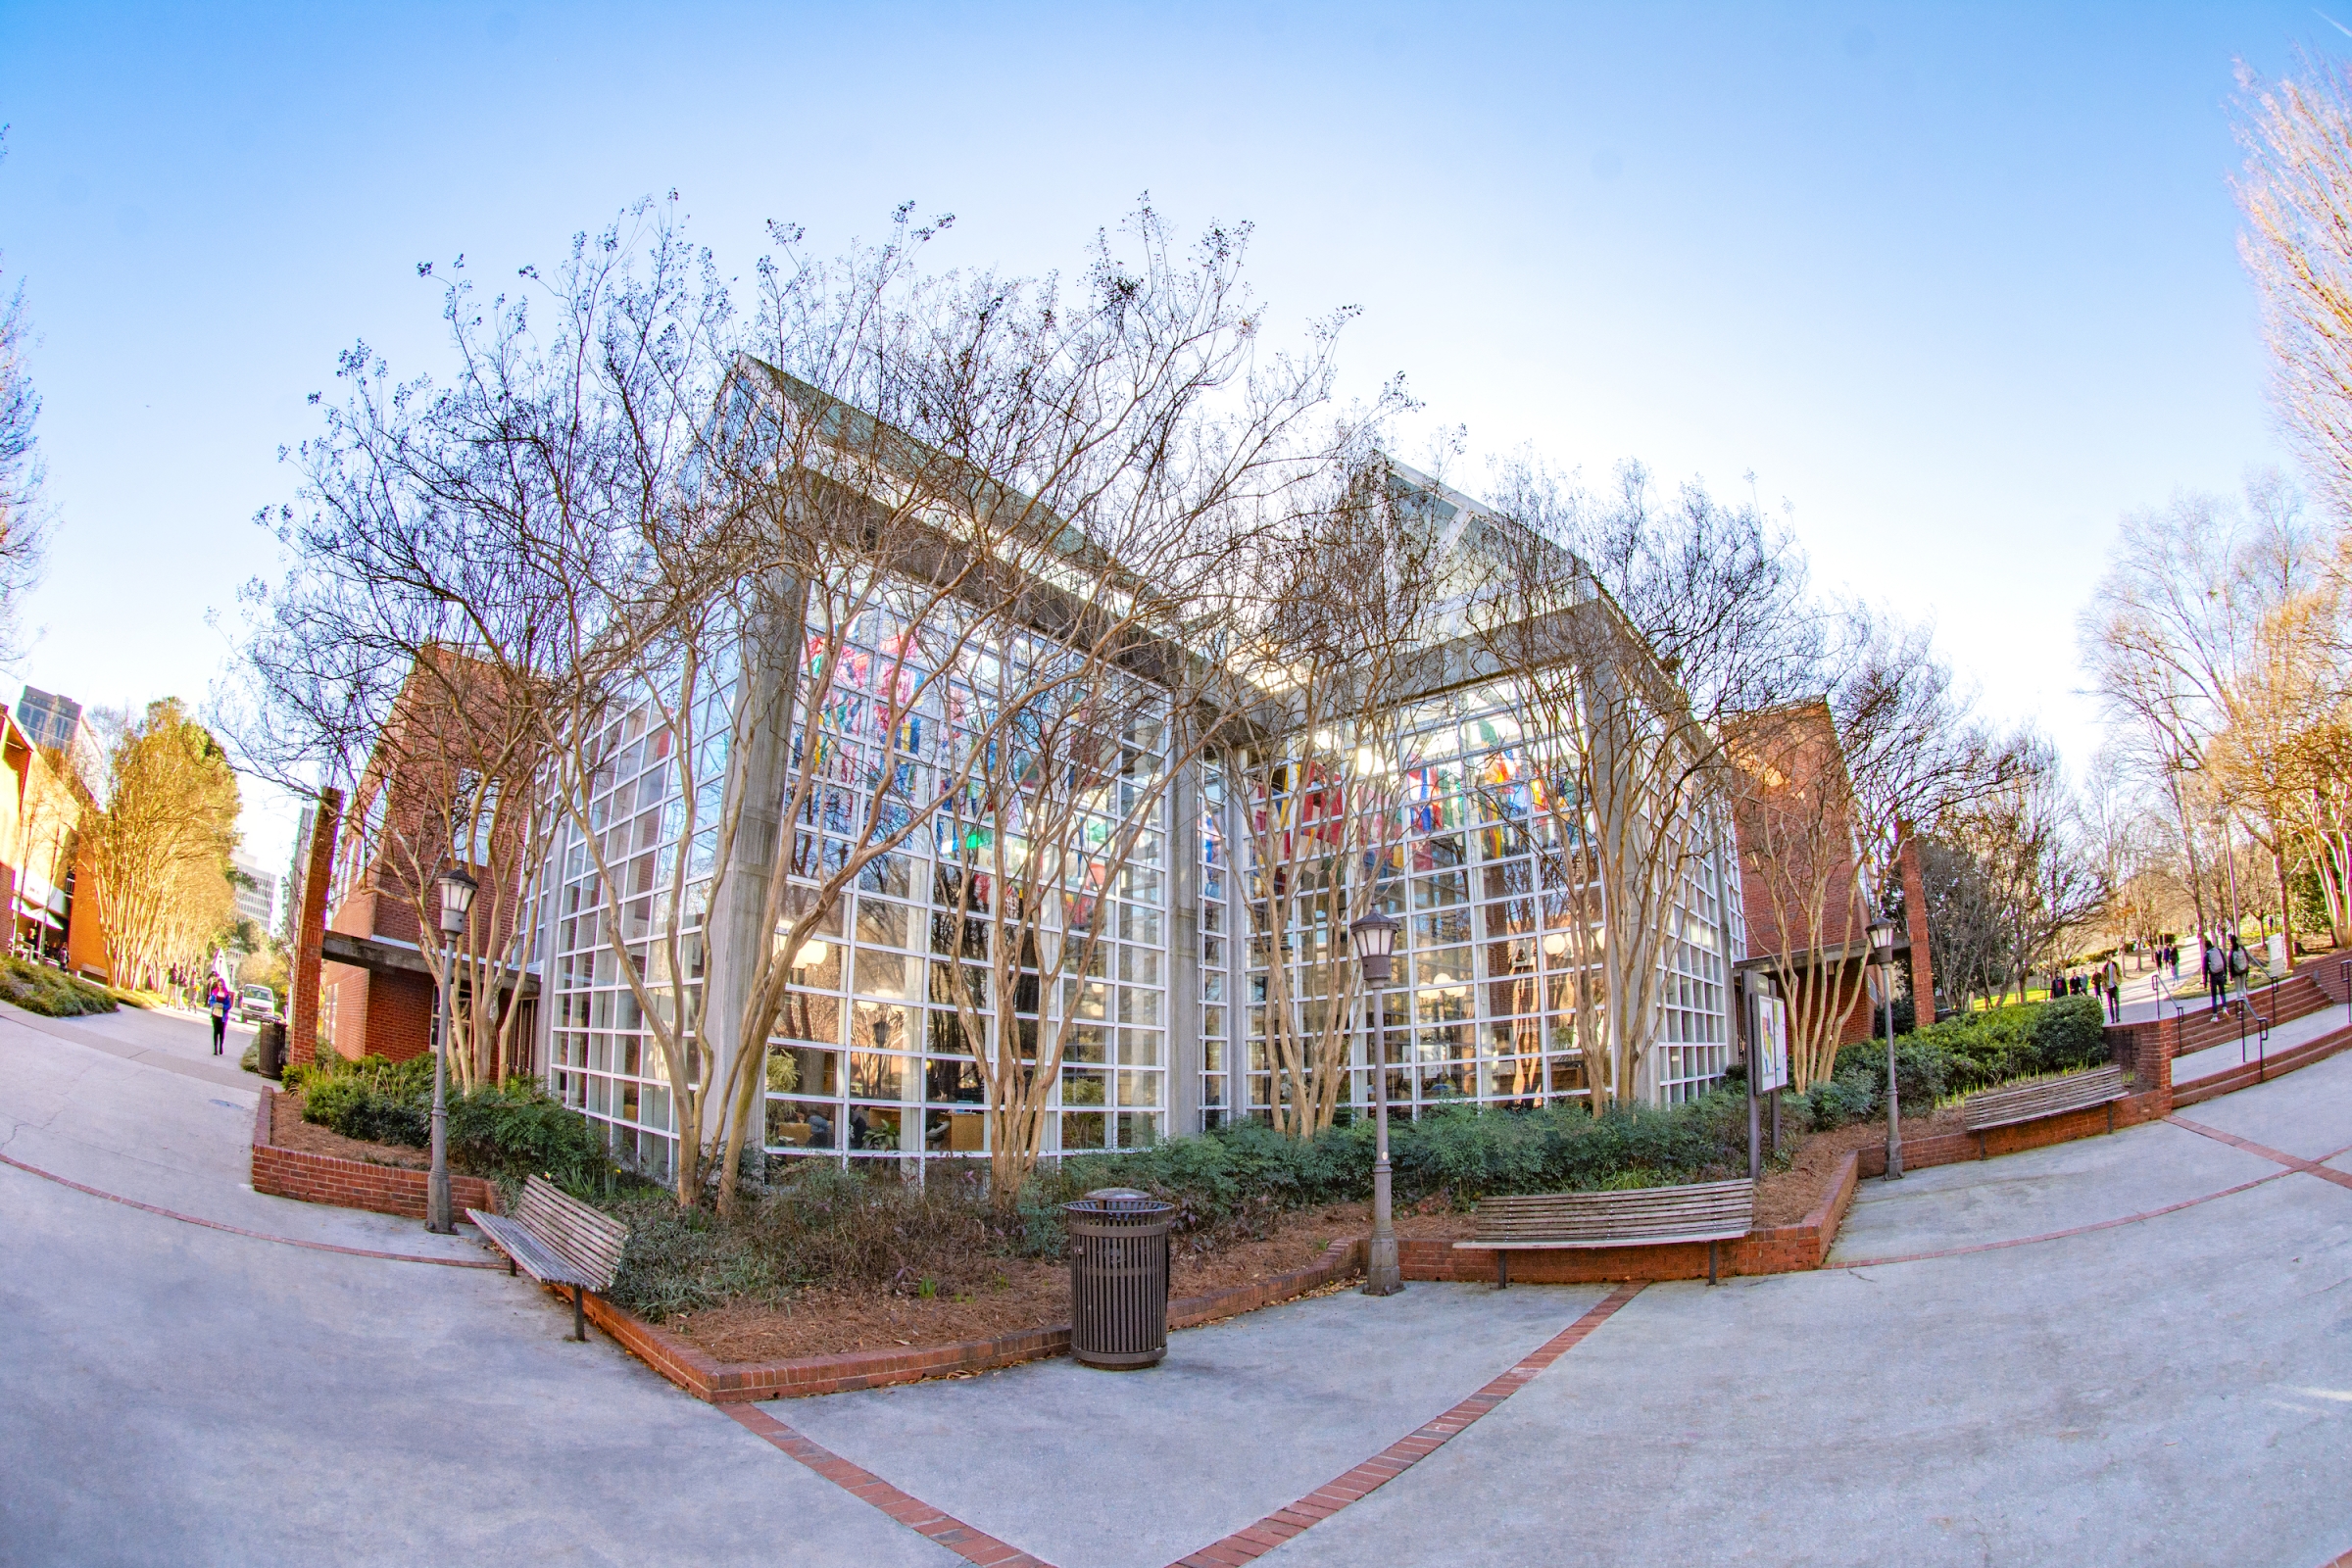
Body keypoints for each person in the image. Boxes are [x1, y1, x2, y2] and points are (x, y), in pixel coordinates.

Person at [205, 977, 231, 1055]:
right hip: (215, 1014)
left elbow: (229, 1005)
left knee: (222, 1032)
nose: (221, 986)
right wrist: (215, 1004)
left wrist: (223, 1006)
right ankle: (215, 1048)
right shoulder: (214, 992)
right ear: (217, 985)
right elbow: (211, 1001)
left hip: (222, 1016)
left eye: (222, 985)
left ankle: (221, 1046)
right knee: (215, 1031)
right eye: (219, 985)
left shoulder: (226, 994)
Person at [2205, 936, 2229, 1016]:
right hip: (2221, 974)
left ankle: (2215, 1015)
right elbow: (2224, 962)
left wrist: (2205, 982)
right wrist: (2226, 974)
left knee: (2214, 996)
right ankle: (2225, 1008)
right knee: (2222, 992)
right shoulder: (2218, 950)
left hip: (2213, 976)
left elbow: (2205, 969)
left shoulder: (2207, 955)